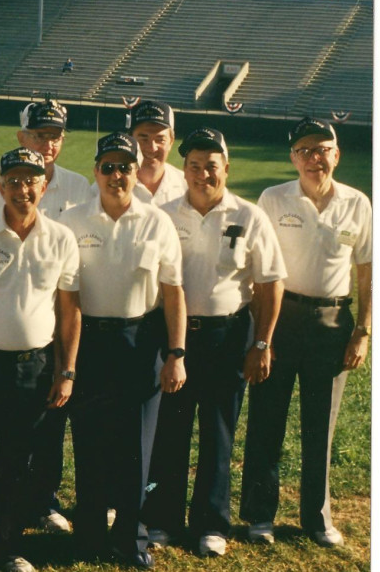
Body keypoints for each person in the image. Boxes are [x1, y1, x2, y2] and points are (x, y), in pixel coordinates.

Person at [143, 128, 286, 556]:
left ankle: (212, 524)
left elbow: (271, 282)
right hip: (176, 338)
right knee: (171, 429)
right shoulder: (164, 214)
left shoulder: (248, 215)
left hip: (228, 336)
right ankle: (163, 519)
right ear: (182, 169)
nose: (202, 174)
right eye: (193, 166)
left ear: (227, 168)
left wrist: (262, 344)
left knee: (218, 432)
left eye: (211, 166)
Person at [240, 117, 372, 548]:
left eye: (323, 149)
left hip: (332, 325)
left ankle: (317, 518)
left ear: (337, 154)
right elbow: (260, 270)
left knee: (321, 426)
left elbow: (368, 272)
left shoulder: (357, 203)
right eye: (305, 151)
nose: (315, 158)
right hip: (281, 319)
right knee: (266, 421)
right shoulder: (273, 198)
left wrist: (363, 332)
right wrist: (263, 335)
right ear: (292, 157)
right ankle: (260, 516)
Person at [58, 132, 187, 569]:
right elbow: (68, 298)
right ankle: (90, 533)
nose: (117, 175)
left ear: (137, 171)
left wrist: (176, 353)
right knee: (90, 442)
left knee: (137, 448)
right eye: (108, 167)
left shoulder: (157, 222)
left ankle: (131, 537)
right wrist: (69, 362)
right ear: (96, 171)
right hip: (90, 341)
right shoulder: (72, 220)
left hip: (140, 341)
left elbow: (173, 293)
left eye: (125, 167)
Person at [0, 149, 81, 572]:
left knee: (19, 459)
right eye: (15, 181)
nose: (23, 189)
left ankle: (7, 547)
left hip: (36, 366)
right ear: (0, 185)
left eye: (32, 181)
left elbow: (69, 311)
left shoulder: (60, 238)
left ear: (44, 186)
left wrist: (66, 372)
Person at [0, 99, 90, 534]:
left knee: (49, 419)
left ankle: (42, 500)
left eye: (55, 135)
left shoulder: (80, 185)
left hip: (59, 312)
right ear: (21, 136)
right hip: (8, 316)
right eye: (39, 134)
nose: (47, 143)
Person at [129, 101, 188, 206]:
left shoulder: (187, 187)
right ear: (130, 140)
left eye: (160, 139)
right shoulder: (108, 187)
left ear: (171, 142)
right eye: (143, 138)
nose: (152, 148)